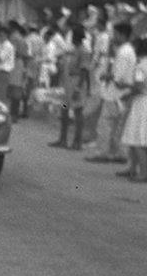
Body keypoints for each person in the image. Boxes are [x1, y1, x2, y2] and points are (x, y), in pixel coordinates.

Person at [86, 21, 136, 164]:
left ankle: (103, 152)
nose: (114, 37)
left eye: (115, 34)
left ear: (122, 34)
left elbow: (117, 76)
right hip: (120, 94)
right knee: (117, 126)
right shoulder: (128, 51)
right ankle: (118, 153)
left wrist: (105, 76)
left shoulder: (124, 52)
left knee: (106, 124)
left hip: (115, 94)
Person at [49, 26, 91, 150]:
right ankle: (63, 139)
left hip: (76, 83)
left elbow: (84, 71)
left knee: (78, 111)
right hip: (67, 84)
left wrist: (79, 88)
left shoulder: (84, 51)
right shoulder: (73, 50)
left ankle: (77, 142)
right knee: (64, 109)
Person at [119, 37, 147, 182]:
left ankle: (143, 172)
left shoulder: (141, 66)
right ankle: (133, 168)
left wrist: (127, 93)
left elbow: (139, 86)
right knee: (138, 137)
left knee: (137, 138)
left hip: (141, 103)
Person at [7, 21, 30, 122]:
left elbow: (13, 52)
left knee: (14, 91)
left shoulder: (13, 38)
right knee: (16, 90)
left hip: (15, 64)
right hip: (19, 64)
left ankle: (13, 115)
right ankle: (13, 114)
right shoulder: (21, 38)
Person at [0, 24, 15, 103]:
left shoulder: (8, 46)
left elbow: (0, 58)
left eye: (1, 35)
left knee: (1, 94)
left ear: (5, 35)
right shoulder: (0, 45)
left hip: (3, 72)